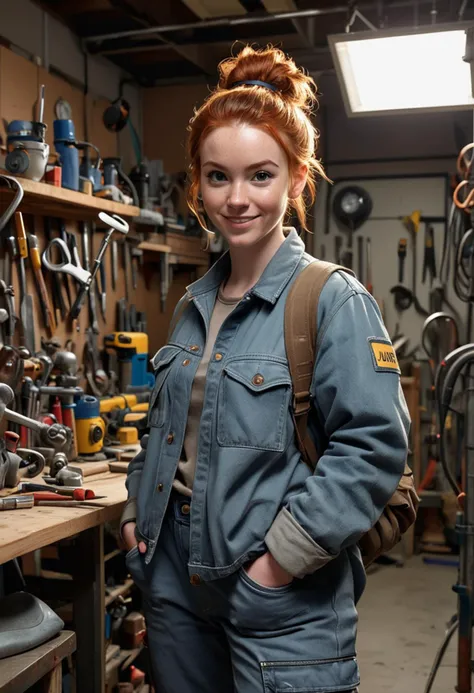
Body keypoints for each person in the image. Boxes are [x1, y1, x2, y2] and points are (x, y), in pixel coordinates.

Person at [120, 44, 410, 693]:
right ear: (197, 181)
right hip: (173, 590)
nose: (237, 197)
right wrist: (138, 516)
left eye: (260, 175)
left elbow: (372, 447)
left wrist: (278, 563)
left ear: (298, 178)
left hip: (281, 600)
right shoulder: (191, 304)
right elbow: (162, 432)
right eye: (217, 176)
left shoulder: (330, 299)